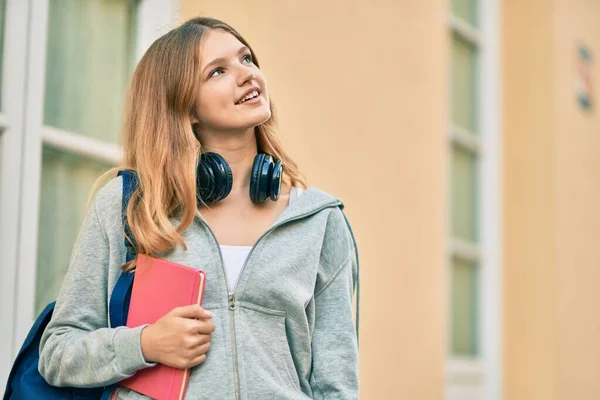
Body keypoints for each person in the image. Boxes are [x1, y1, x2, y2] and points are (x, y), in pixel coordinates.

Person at [38, 17, 359, 400]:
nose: (246, 75)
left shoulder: (320, 222)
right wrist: (144, 344)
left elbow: (336, 384)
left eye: (246, 59)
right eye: (218, 71)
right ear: (186, 108)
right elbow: (57, 351)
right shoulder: (132, 206)